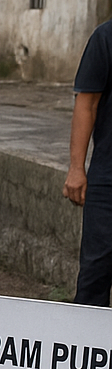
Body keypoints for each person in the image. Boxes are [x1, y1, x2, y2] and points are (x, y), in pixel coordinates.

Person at [63, 20, 112, 305]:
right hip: (107, 178)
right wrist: (76, 167)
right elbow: (87, 103)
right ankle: (85, 344)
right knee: (97, 271)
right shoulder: (105, 38)